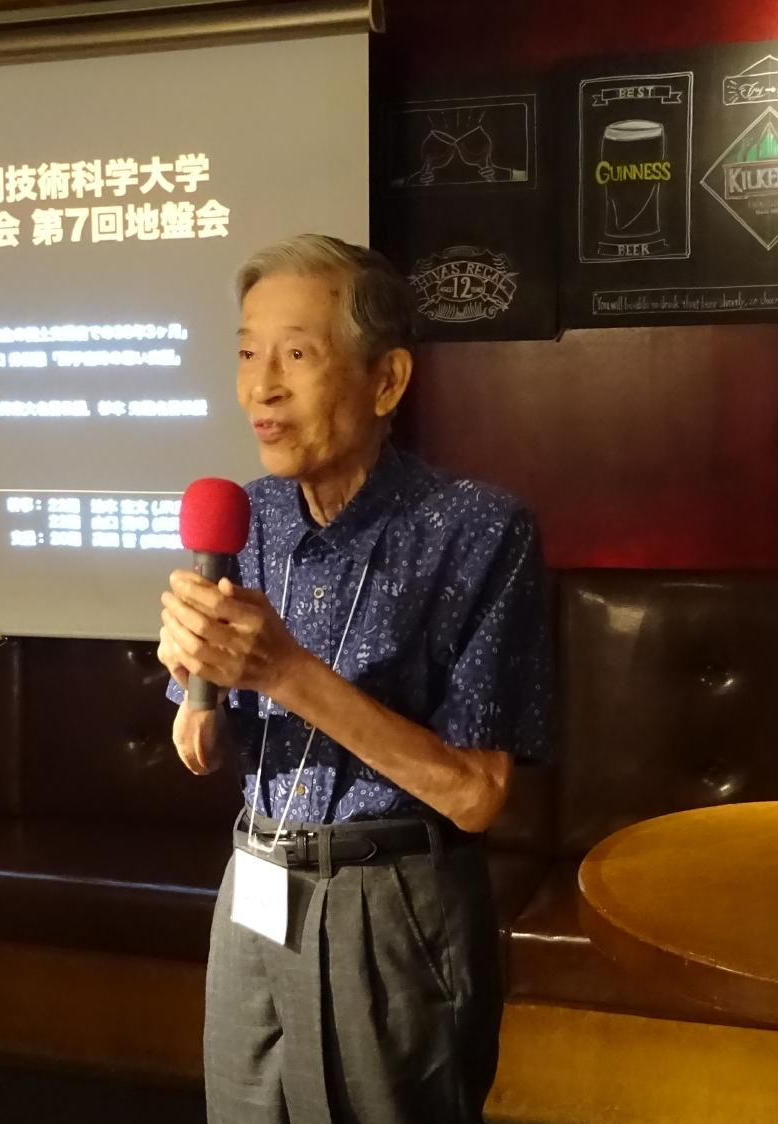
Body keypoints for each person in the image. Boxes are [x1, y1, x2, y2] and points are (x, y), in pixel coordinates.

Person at [156, 233, 553, 1124]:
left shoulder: (478, 529)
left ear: (387, 381)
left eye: (296, 355)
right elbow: (201, 751)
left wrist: (286, 672)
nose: (262, 387)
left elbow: (477, 796)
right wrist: (196, 685)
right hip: (256, 883)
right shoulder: (247, 518)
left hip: (394, 905)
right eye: (248, 354)